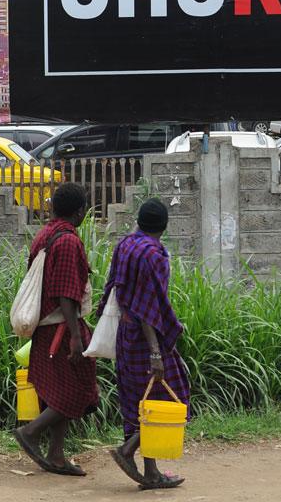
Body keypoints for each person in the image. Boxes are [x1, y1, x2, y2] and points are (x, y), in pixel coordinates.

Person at [12, 182, 99, 476]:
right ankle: (30, 432)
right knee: (80, 391)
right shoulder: (68, 241)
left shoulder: (46, 234)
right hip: (61, 329)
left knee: (61, 392)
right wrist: (76, 336)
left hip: (48, 329)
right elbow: (65, 293)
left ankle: (57, 455)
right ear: (79, 211)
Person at [102, 198, 188, 490]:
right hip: (144, 338)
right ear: (164, 227)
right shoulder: (154, 255)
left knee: (138, 402)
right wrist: (155, 352)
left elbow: (115, 288)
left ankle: (151, 472)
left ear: (139, 221)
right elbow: (148, 308)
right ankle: (127, 452)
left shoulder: (126, 244)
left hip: (125, 334)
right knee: (173, 395)